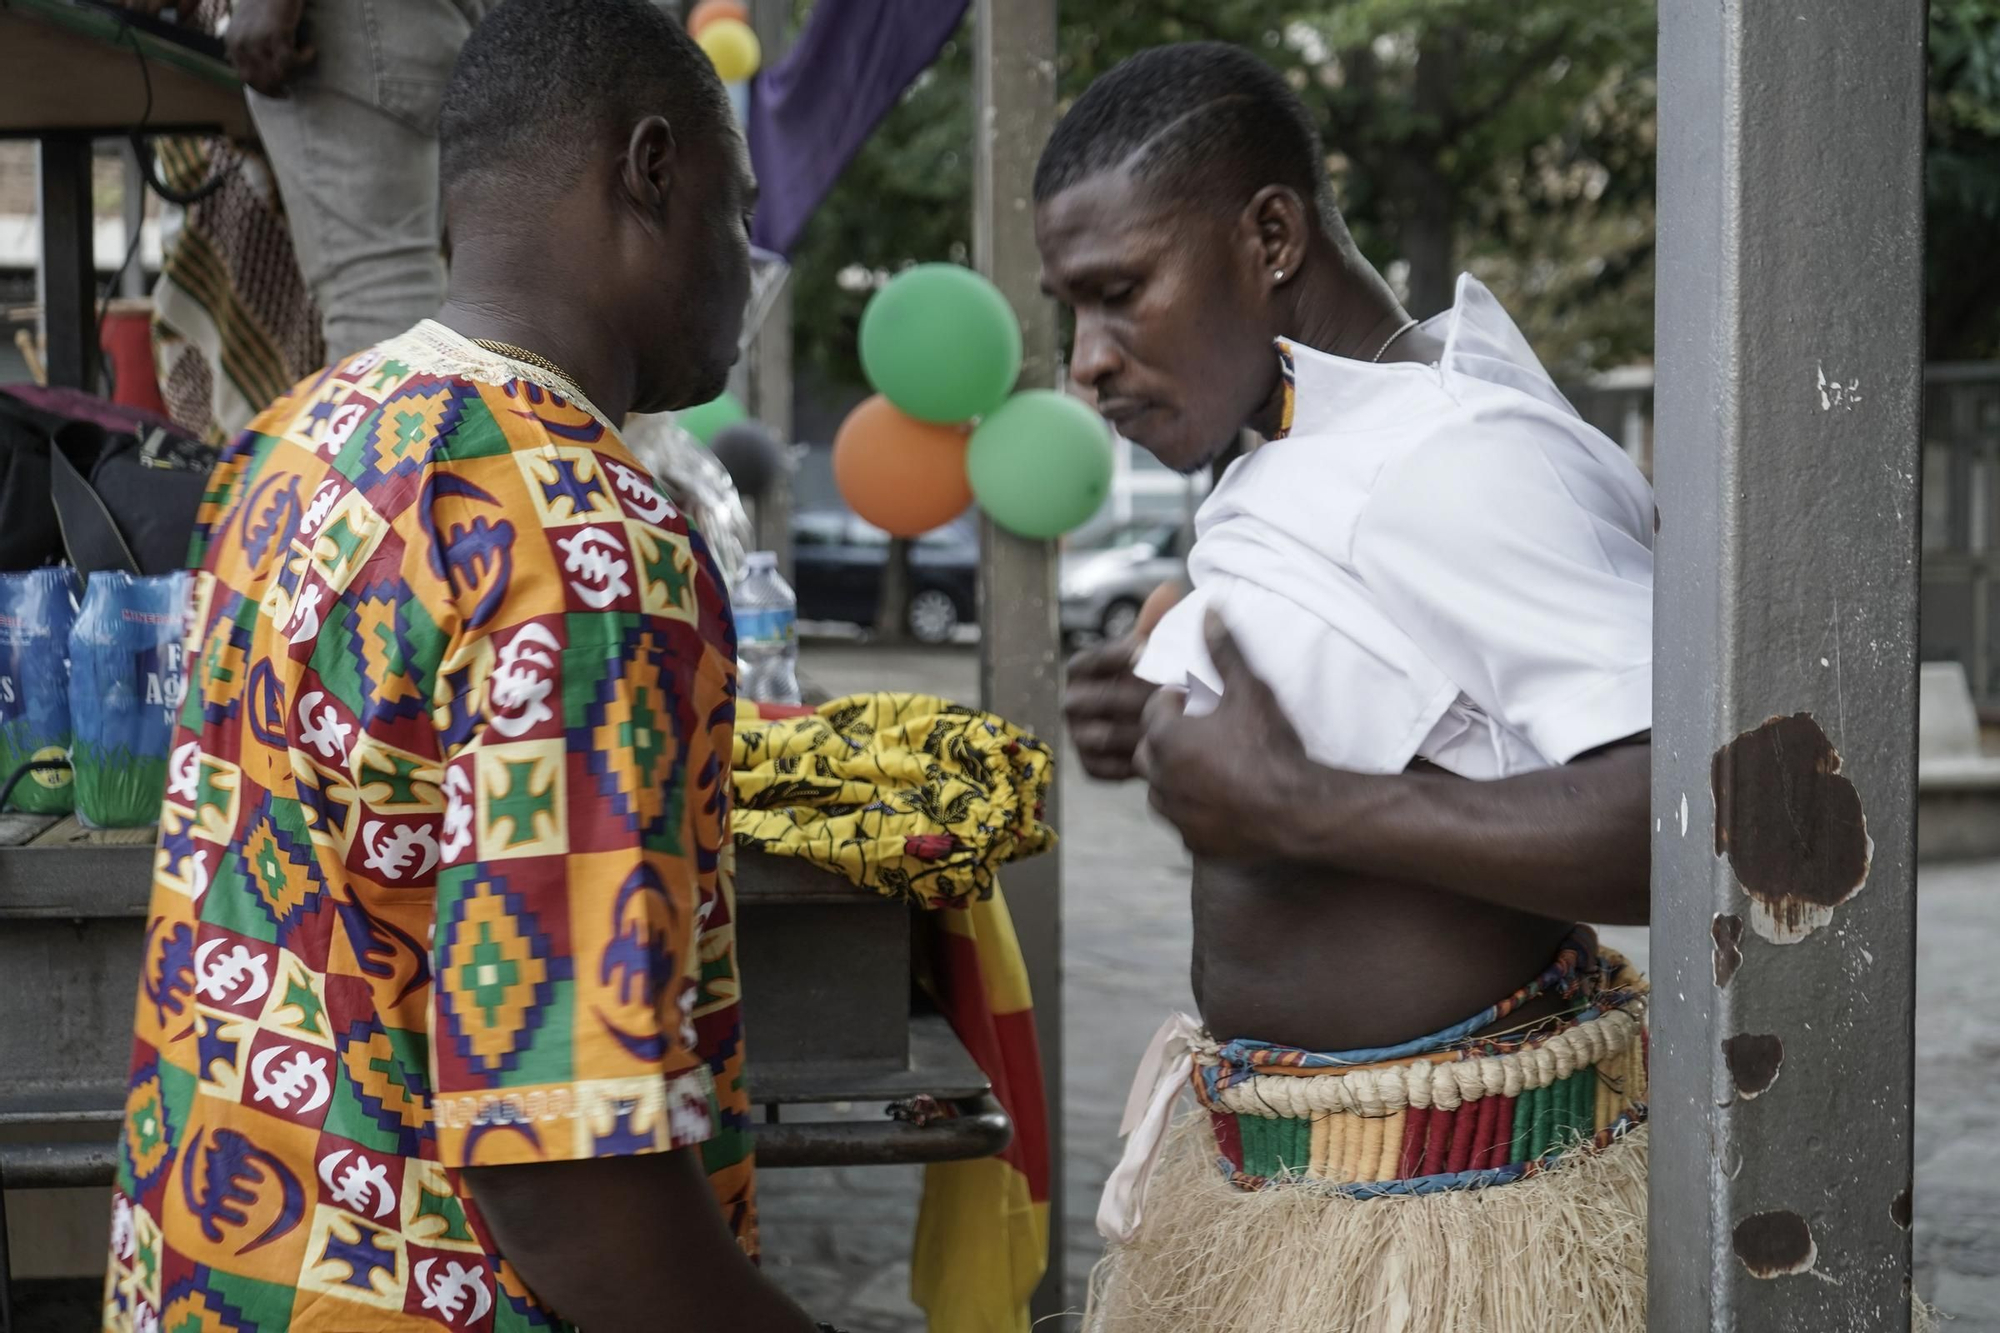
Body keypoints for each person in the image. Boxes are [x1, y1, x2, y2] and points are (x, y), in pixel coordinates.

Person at [100, 3, 833, 1330]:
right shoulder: (581, 540)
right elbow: (568, 1176)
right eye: (734, 212)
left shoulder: (289, 448)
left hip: (212, 1275)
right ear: (652, 170)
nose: (743, 262)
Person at [1037, 43, 1653, 1333]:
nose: (1085, 364)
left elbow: (1691, 819)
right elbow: (1419, 713)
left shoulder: (1455, 459)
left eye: (1119, 295)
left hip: (1467, 1221)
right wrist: (1170, 732)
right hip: (1298, 1191)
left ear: (1271, 235)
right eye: (1069, 316)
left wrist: (1305, 808)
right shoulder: (1305, 435)